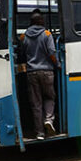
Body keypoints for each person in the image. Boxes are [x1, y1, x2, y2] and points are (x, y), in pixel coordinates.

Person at [22, 12, 59, 140]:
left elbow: (23, 53)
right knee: (49, 97)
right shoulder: (47, 34)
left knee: (36, 103)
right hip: (47, 71)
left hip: (31, 72)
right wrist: (57, 64)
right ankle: (48, 120)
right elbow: (52, 52)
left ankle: (40, 133)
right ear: (41, 22)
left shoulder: (24, 36)